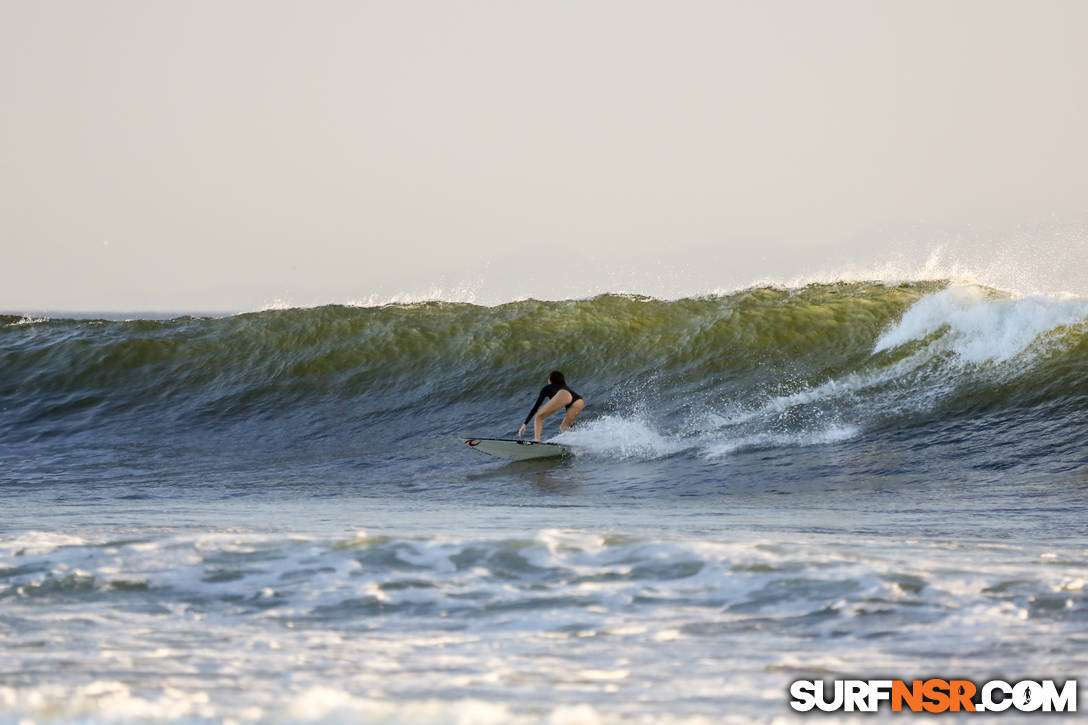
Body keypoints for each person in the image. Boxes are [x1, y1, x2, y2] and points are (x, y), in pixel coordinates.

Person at [517, 370, 584, 441]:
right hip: (579, 401)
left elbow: (536, 407)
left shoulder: (547, 388)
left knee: (538, 417)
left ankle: (536, 441)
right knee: (564, 427)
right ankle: (576, 442)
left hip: (564, 394)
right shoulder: (565, 386)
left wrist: (524, 424)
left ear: (551, 380)